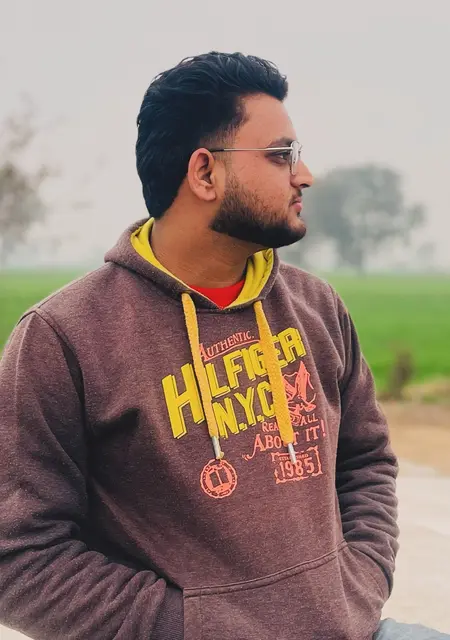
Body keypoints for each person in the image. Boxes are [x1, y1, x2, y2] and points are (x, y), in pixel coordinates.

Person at [0, 52, 447, 640]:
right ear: (205, 173)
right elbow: (20, 555)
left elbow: (366, 461)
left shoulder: (316, 307)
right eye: (281, 154)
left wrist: (357, 581)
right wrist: (188, 626)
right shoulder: (63, 337)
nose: (305, 175)